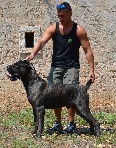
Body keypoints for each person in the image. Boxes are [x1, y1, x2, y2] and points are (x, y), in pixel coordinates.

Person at [26, 2, 95, 134]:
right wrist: (33, 53)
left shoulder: (78, 30)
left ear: (70, 13)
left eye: (63, 15)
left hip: (72, 67)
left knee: (72, 97)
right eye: (59, 15)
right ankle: (58, 123)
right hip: (56, 67)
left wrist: (91, 70)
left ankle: (71, 124)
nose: (60, 18)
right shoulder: (54, 28)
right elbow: (41, 41)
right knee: (54, 96)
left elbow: (87, 50)